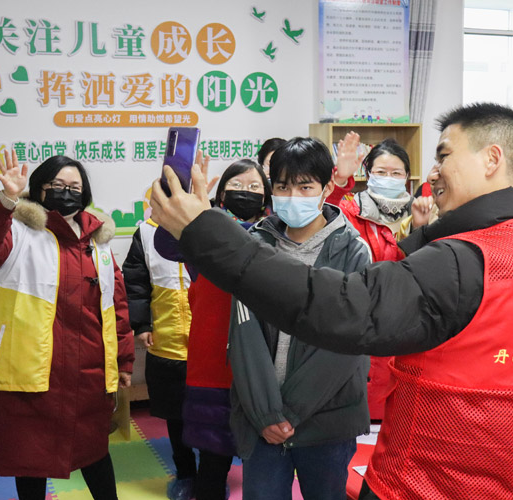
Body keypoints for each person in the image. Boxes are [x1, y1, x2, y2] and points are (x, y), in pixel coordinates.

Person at [149, 102, 513, 499]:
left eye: (444, 155)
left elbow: (338, 307)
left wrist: (205, 229)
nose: (433, 172)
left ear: (492, 159)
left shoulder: (463, 260)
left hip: (424, 483)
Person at [0, 152, 135, 500]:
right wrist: (6, 200)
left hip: (88, 374)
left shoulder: (99, 242)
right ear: (40, 188)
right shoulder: (17, 231)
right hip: (30, 376)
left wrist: (123, 361)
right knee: (31, 460)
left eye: (75, 186)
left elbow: (116, 307)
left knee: (95, 453)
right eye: (57, 184)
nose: (66, 192)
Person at [228, 137, 371, 499]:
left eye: (305, 187)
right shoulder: (255, 246)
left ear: (326, 188)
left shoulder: (353, 252)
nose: (293, 196)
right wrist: (267, 415)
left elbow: (347, 345)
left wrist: (289, 414)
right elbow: (244, 336)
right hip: (262, 421)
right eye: (283, 186)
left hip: (327, 419)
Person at [177, 158, 272, 500]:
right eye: (236, 185)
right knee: (213, 463)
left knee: (266, 467)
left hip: (264, 366)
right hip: (214, 364)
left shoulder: (278, 235)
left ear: (266, 197)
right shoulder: (205, 236)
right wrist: (196, 208)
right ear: (220, 195)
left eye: (254, 187)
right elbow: (167, 243)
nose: (245, 192)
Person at [327, 135, 411, 420]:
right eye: (381, 172)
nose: (389, 178)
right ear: (368, 173)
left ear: (407, 177)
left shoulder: (420, 212)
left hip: (405, 328)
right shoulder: (352, 211)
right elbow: (323, 216)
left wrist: (421, 229)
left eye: (396, 173)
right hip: (360, 324)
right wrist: (340, 179)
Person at [122, 213, 195, 500]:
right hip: (167, 342)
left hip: (209, 344)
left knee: (215, 415)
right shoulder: (146, 233)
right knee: (176, 415)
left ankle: (213, 474)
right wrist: (141, 324)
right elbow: (135, 282)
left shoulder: (209, 225)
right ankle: (186, 474)